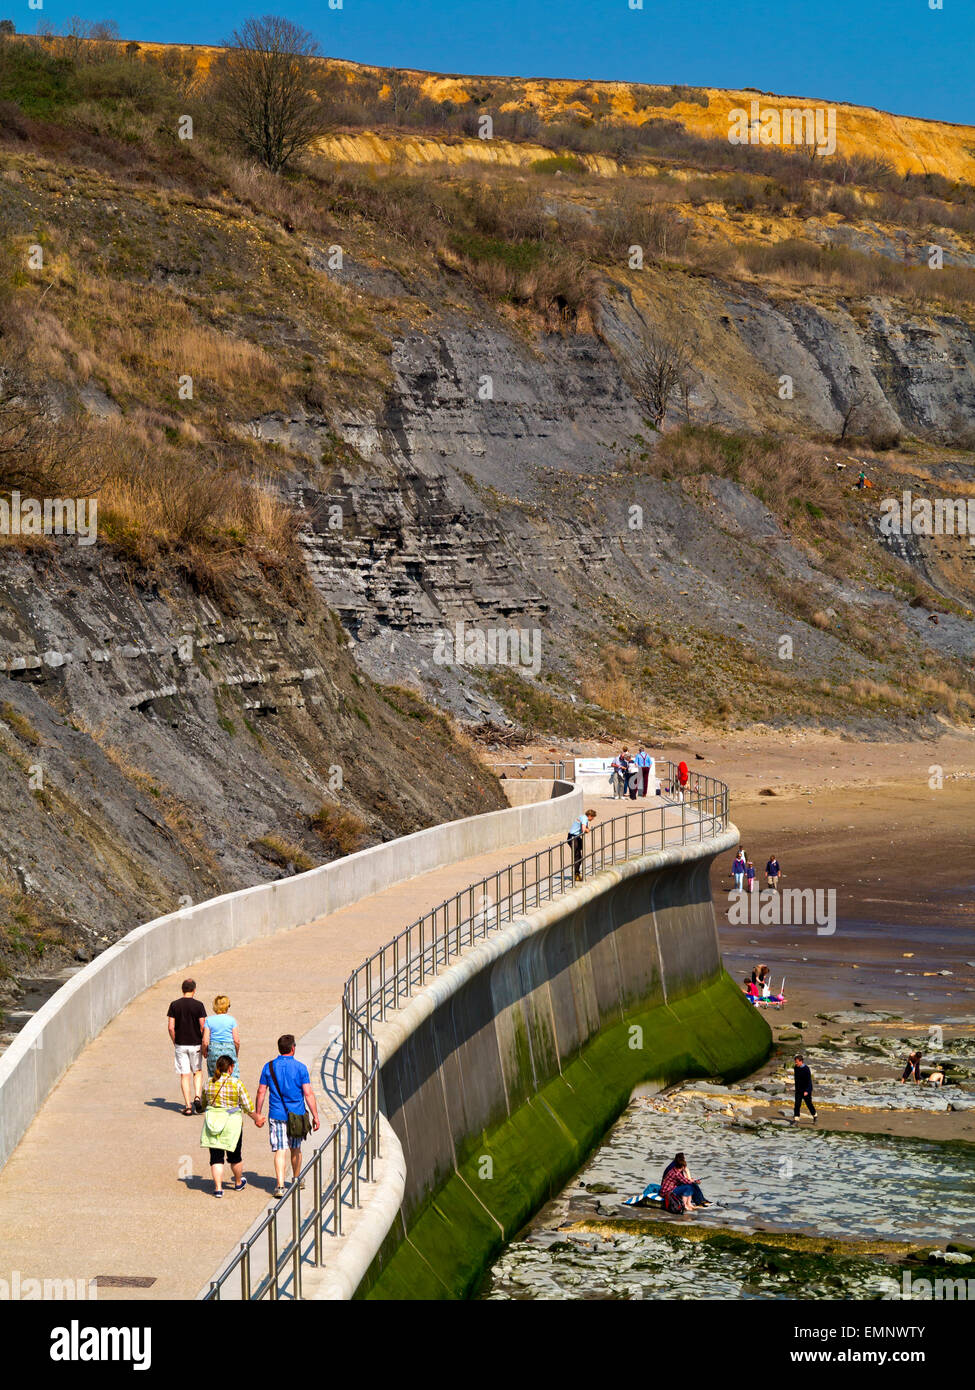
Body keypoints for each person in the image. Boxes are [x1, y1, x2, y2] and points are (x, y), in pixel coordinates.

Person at [255, 1034, 321, 1199]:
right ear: (293, 1048)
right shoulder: (300, 1068)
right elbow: (308, 1093)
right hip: (296, 1116)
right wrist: (315, 1116)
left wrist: (258, 1113)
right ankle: (297, 1179)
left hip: (276, 1114)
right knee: (295, 1148)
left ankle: (280, 1185)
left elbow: (261, 1092)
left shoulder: (268, 1067)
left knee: (279, 1150)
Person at [201, 1054, 265, 1197]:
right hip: (232, 1123)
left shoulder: (208, 1083)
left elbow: (204, 1103)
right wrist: (257, 1118)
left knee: (216, 1157)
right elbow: (247, 1106)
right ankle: (237, 1182)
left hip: (213, 1122)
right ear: (230, 1068)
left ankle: (218, 1188)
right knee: (235, 1156)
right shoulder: (236, 1083)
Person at [167, 978, 207, 1115]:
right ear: (194, 990)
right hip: (195, 1043)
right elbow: (203, 1026)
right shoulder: (199, 1005)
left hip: (180, 1044)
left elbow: (171, 1027)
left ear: (182, 989)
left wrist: (175, 1041)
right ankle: (197, 1097)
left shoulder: (174, 1005)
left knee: (184, 1075)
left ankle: (188, 1106)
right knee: (197, 1071)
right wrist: (203, 1042)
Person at [203, 995, 240, 1079]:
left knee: (215, 1077)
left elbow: (205, 1041)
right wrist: (236, 1052)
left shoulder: (209, 1020)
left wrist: (204, 1051)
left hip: (214, 1050)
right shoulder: (232, 1020)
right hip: (229, 1049)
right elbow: (236, 1040)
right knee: (232, 1077)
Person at [568, 809, 597, 882]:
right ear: (590, 816)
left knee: (580, 853)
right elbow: (584, 829)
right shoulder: (585, 818)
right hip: (573, 838)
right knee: (577, 856)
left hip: (575, 837)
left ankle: (577, 872)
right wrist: (587, 830)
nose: (593, 819)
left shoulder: (582, 816)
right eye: (593, 817)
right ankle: (576, 874)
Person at [792, 1054, 817, 1122]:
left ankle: (814, 1115)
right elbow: (796, 1079)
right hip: (798, 1090)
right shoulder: (796, 1068)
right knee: (797, 1104)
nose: (795, 1063)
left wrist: (807, 1091)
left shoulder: (806, 1069)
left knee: (809, 1104)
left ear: (801, 1061)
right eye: (795, 1062)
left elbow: (809, 1081)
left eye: (796, 1062)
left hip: (806, 1090)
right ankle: (796, 1118)